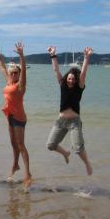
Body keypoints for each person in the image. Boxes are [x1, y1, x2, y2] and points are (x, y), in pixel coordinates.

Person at [46, 46, 93, 175]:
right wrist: (53, 55)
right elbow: (56, 70)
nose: (71, 80)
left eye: (73, 78)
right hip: (60, 121)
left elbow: (83, 73)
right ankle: (65, 153)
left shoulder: (79, 87)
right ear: (66, 78)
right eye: (69, 78)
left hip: (74, 123)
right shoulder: (62, 85)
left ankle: (87, 163)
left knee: (78, 149)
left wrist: (86, 57)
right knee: (50, 145)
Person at [0, 42, 32, 188]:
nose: (14, 74)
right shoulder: (9, 81)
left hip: (19, 118)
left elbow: (24, 72)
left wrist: (21, 56)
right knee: (13, 144)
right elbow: (3, 68)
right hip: (9, 116)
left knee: (21, 145)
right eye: (13, 72)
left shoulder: (20, 86)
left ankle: (28, 174)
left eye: (16, 72)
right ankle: (15, 165)